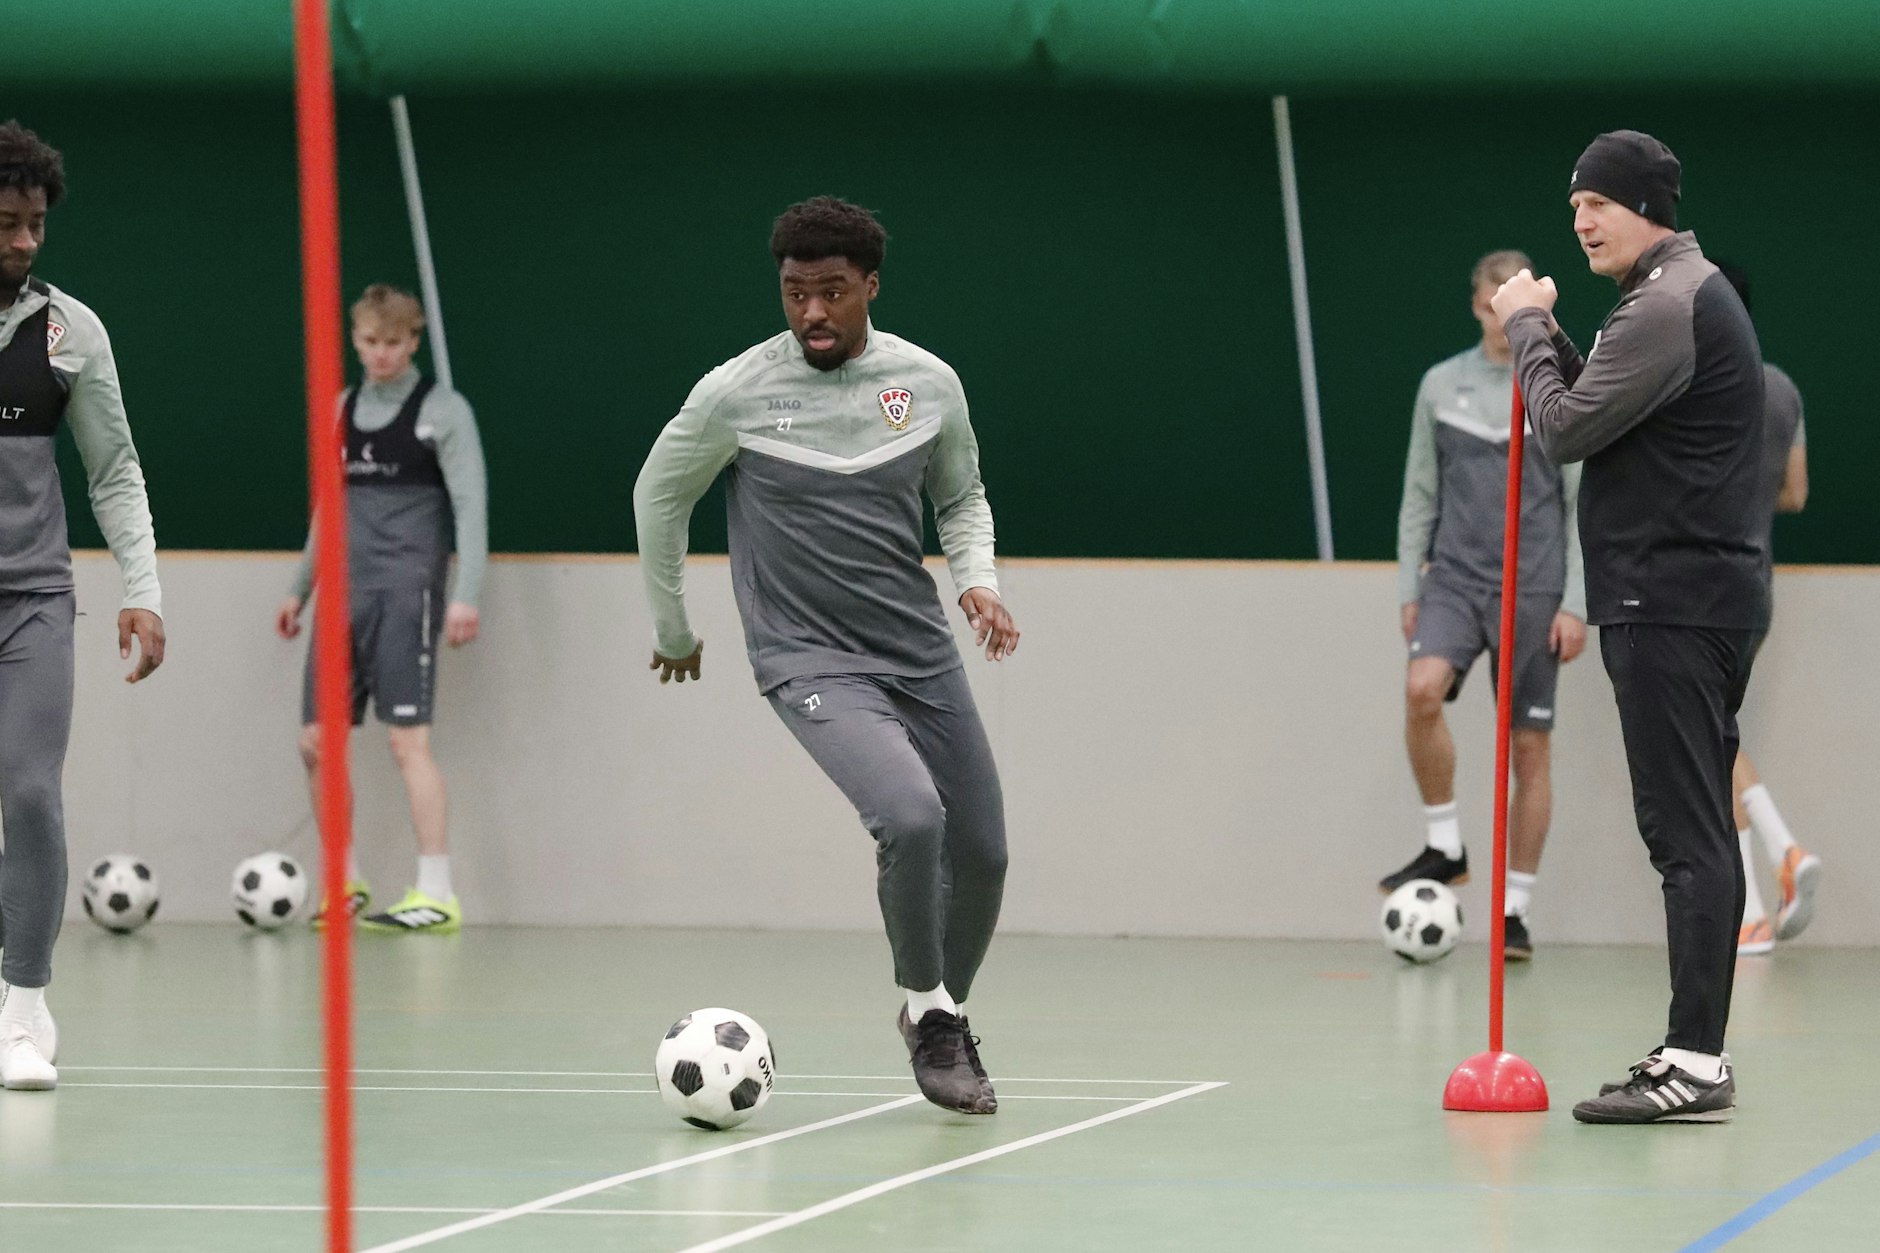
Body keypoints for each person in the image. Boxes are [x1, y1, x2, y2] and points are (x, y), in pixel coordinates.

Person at [633, 196, 1015, 1115]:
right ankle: (933, 1017)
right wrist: (675, 627)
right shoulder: (737, 392)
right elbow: (659, 495)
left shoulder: (927, 385)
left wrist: (979, 579)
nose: (811, 313)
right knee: (911, 815)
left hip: (918, 653)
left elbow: (962, 497)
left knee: (985, 853)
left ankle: (938, 1008)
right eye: (796, 292)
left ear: (869, 288)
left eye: (832, 293)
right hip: (809, 660)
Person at [1492, 130, 1769, 1124]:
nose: (1577, 222)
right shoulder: (1669, 296)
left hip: (1670, 600)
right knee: (1690, 831)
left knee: (1683, 835)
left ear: (1642, 201)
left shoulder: (1663, 302)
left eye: (1592, 205)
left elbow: (1561, 429)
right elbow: (1598, 408)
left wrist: (1525, 325)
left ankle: (1694, 1058)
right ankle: (1692, 1045)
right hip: (1688, 597)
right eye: (1571, 209)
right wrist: (1555, 338)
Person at [0, 120, 165, 1090]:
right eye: (7, 223)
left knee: (27, 790)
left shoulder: (71, 332)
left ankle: (23, 1006)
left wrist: (141, 590)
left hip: (33, 600)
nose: (24, 241)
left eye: (35, 225)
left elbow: (114, 470)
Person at [1386, 248, 1587, 961]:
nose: (1501, 318)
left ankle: (1513, 913)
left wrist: (1575, 601)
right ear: (1477, 306)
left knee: (1528, 749)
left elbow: (1578, 505)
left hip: (1533, 588)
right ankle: (1445, 843)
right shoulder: (1441, 384)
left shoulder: (1558, 384)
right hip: (1456, 582)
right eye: (1489, 304)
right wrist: (1412, 585)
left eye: (1514, 303)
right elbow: (1418, 494)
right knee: (1421, 690)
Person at [276, 285, 487, 934]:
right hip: (342, 594)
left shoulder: (442, 411)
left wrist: (465, 594)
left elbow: (471, 504)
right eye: (370, 342)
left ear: (414, 340)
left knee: (406, 741)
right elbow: (327, 508)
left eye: (394, 342)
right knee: (316, 741)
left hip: (406, 591)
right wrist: (299, 587)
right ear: (356, 339)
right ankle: (343, 881)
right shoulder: (343, 408)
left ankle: (436, 890)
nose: (382, 354)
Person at [1714, 264, 1820, 956]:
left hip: (1698, 589)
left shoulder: (1699, 385)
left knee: (1708, 740)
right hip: (1756, 588)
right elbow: (1794, 494)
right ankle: (1755, 901)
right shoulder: (1783, 388)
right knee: (1716, 736)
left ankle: (1768, 876)